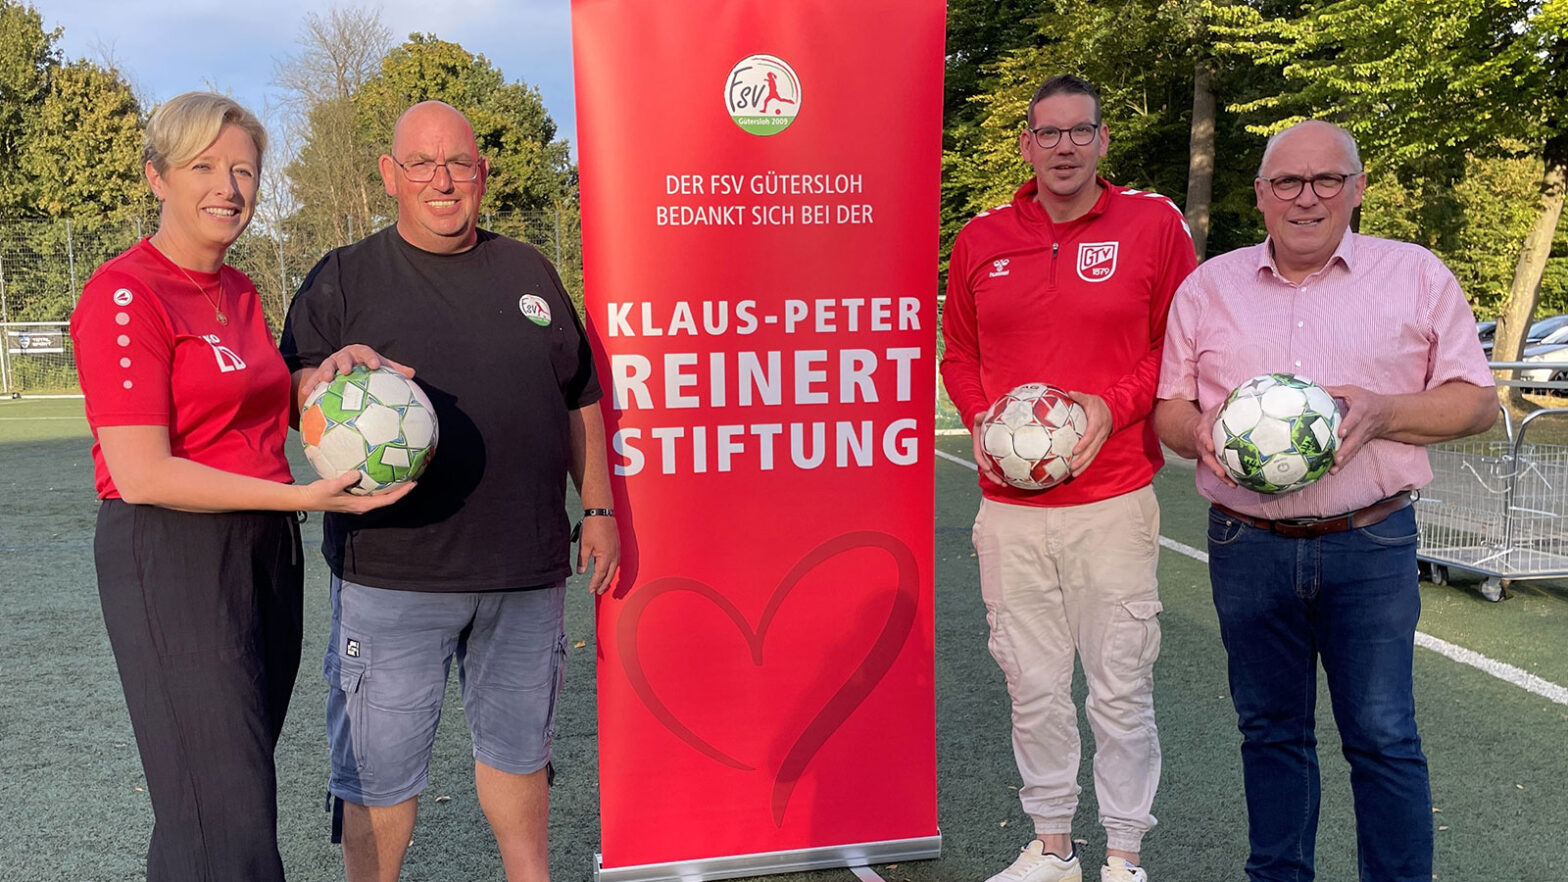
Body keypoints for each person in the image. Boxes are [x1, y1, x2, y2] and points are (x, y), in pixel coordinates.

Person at [68, 92, 410, 881]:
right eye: (204, 167)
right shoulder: (126, 293)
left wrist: (321, 384)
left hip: (262, 548)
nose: (228, 187)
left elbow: (257, 399)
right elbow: (141, 472)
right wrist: (302, 499)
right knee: (230, 816)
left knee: (213, 807)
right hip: (173, 553)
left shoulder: (240, 290)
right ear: (158, 177)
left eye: (244, 171)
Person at [279, 100, 619, 882]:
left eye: (458, 163)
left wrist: (598, 508)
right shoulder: (343, 277)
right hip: (393, 576)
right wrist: (321, 383)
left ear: (482, 174)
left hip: (525, 572)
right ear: (389, 175)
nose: (442, 180)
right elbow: (295, 387)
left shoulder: (529, 270)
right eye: (422, 164)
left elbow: (580, 396)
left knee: (521, 759)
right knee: (378, 778)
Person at [1152, 120, 1496, 882]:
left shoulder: (1415, 275)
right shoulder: (1208, 288)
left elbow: (1478, 402)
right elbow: (1169, 408)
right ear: (1260, 195)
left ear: (1358, 188)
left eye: (1327, 179)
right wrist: (1199, 431)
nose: (1306, 198)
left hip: (1369, 540)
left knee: (1383, 735)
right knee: (1270, 733)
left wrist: (1384, 412)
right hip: (1247, 545)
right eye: (1287, 182)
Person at [941, 74, 1197, 882]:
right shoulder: (981, 238)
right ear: (1026, 144)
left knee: (1119, 688)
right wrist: (982, 419)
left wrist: (1109, 408)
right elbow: (959, 354)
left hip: (1112, 501)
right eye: (1047, 133)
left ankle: (1124, 856)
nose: (1063, 147)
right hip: (1010, 511)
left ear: (1102, 139)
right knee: (1033, 686)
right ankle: (1052, 847)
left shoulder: (1152, 225)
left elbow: (1179, 344)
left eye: (1079, 131)